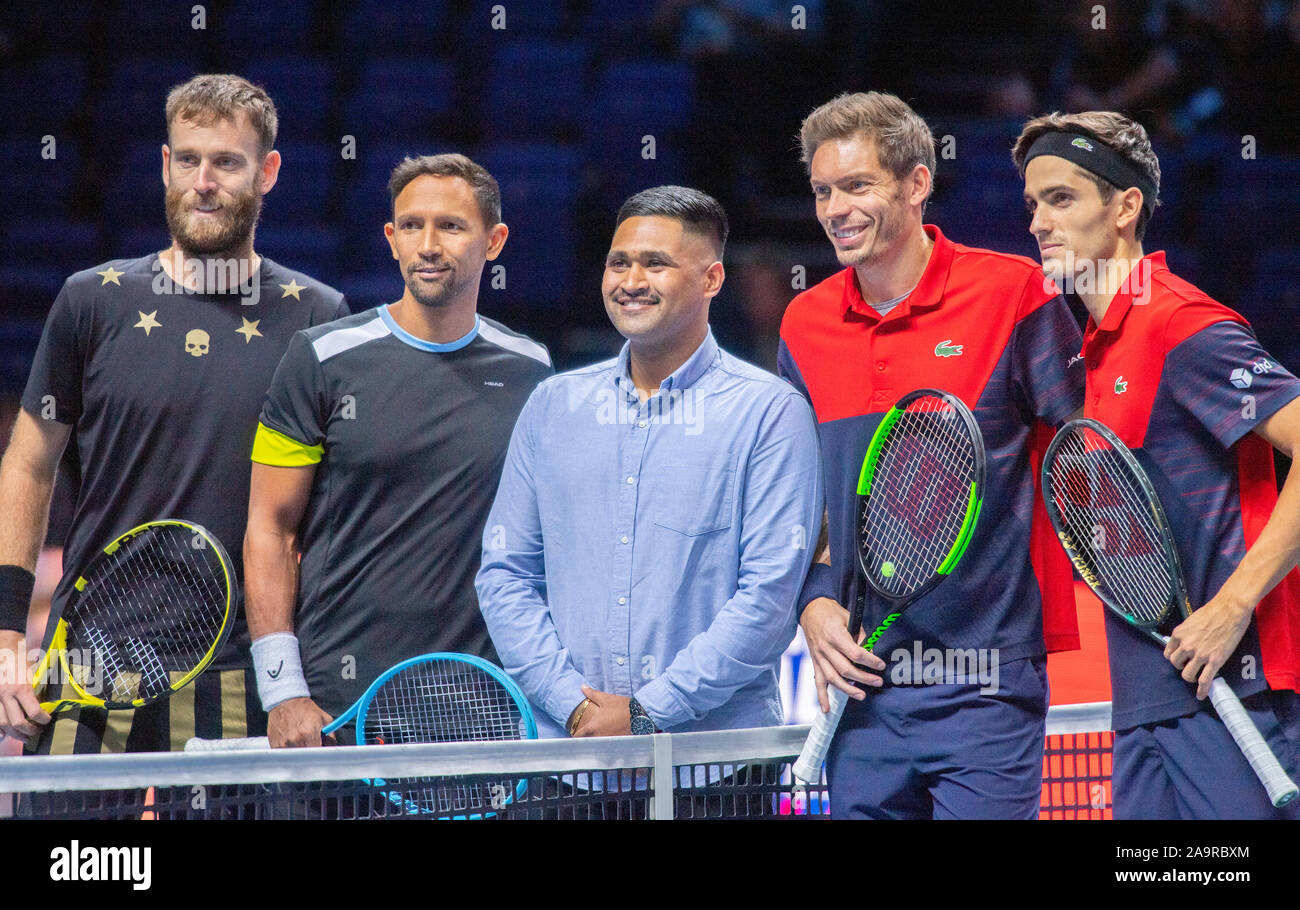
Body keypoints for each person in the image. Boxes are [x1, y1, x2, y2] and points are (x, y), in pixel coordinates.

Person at [0, 74, 347, 755]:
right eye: (187, 159)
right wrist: (8, 633)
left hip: (242, 671)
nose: (204, 181)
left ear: (268, 172)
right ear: (165, 164)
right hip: (89, 655)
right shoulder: (90, 301)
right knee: (82, 864)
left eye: (227, 162)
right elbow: (30, 461)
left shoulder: (317, 317)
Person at [780, 92, 1084, 819]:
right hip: (861, 687)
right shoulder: (805, 321)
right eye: (823, 191)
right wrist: (814, 603)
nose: (835, 210)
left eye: (857, 186)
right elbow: (801, 501)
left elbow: (1086, 458)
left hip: (986, 678)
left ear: (917, 183)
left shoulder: (1013, 293)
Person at [1013, 110, 1300, 819]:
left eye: (1062, 199)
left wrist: (1233, 605)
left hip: (1235, 690)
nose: (1039, 224)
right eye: (1031, 204)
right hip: (1144, 701)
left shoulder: (1181, 325)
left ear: (1125, 207)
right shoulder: (1092, 352)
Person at [476, 185, 823, 745]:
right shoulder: (552, 405)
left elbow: (770, 597)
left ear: (711, 280)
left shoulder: (771, 412)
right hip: (569, 757)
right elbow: (506, 575)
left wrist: (647, 712)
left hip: (716, 767)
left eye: (655, 264)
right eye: (619, 262)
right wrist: (574, 707)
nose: (631, 281)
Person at [244, 154, 552, 748]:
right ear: (391, 239)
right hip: (335, 708)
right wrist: (283, 691)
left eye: (452, 226)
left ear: (495, 241)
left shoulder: (532, 371)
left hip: (480, 705)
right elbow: (269, 529)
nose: (428, 245)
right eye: (411, 226)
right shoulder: (319, 358)